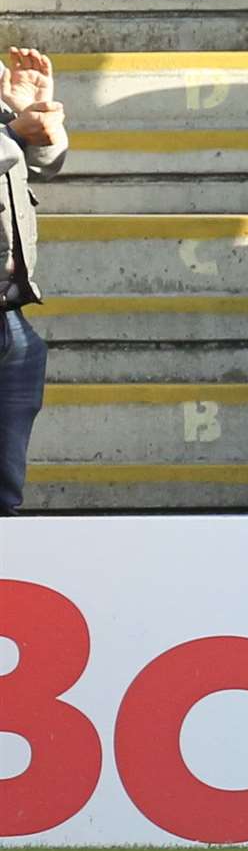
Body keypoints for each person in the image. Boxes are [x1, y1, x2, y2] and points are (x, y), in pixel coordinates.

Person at [0, 48, 66, 517]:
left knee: (6, 497)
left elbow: (41, 166)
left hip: (10, 316)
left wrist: (39, 124)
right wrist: (11, 133)